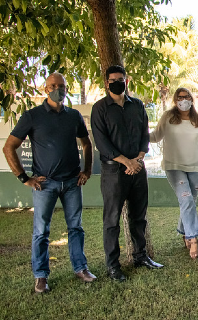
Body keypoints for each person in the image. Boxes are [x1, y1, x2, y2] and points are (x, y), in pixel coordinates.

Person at [3, 73, 96, 293]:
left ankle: (80, 268)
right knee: (41, 231)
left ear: (66, 88)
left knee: (76, 227)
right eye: (53, 86)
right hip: (45, 184)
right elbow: (9, 147)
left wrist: (87, 170)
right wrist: (24, 178)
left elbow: (87, 144)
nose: (58, 89)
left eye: (61, 86)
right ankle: (41, 276)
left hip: (72, 182)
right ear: (45, 90)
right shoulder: (32, 116)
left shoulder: (74, 116)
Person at [91, 65, 163, 281]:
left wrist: (137, 160)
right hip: (114, 172)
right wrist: (126, 162)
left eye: (120, 79)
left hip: (138, 169)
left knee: (138, 216)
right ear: (106, 83)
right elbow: (102, 143)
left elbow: (144, 135)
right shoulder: (100, 108)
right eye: (112, 79)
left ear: (126, 81)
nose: (117, 82)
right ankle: (113, 266)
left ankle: (141, 256)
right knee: (111, 220)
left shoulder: (137, 105)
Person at [150, 87, 198, 259]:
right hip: (174, 166)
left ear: (192, 100)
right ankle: (193, 238)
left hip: (195, 167)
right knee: (186, 199)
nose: (183, 100)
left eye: (187, 97)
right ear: (175, 100)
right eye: (180, 97)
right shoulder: (168, 117)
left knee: (189, 201)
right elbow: (155, 136)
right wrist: (137, 134)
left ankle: (184, 230)